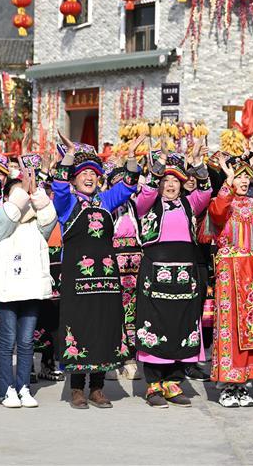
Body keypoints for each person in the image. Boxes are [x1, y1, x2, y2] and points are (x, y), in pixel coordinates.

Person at [50, 134, 142, 409]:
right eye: (83, 174)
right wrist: (68, 156)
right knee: (78, 328)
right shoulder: (67, 205)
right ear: (75, 178)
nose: (89, 177)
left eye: (93, 173)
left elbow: (128, 185)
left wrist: (132, 157)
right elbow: (59, 186)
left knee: (103, 328)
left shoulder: (104, 201)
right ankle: (77, 388)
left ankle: (98, 388)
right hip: (77, 279)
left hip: (106, 280)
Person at [134, 146, 212, 408]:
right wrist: (157, 167)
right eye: (165, 181)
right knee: (155, 324)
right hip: (155, 273)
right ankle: (153, 385)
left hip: (185, 276)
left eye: (175, 181)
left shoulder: (190, 203)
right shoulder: (148, 204)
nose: (170, 185)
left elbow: (206, 192)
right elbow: (144, 193)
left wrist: (200, 165)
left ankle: (173, 382)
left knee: (181, 325)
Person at [207, 157, 253, 408]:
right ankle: (228, 385)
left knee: (252, 328)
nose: (242, 180)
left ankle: (245, 383)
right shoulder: (223, 202)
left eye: (245, 176)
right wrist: (226, 184)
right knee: (230, 327)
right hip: (230, 270)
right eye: (237, 176)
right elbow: (216, 214)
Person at [0, 164, 56, 408]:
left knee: (27, 341)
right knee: (7, 341)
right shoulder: (1, 221)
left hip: (31, 290)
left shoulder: (37, 225)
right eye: (20, 194)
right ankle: (6, 390)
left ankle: (24, 387)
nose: (26, 198)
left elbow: (49, 216)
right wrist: (21, 191)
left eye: (28, 194)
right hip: (8, 291)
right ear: (9, 199)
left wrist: (36, 190)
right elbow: (4, 222)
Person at [106, 163, 143, 381]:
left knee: (132, 310)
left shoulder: (135, 206)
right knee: (112, 308)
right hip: (113, 260)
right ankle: (111, 357)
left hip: (135, 263)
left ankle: (130, 357)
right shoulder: (106, 207)